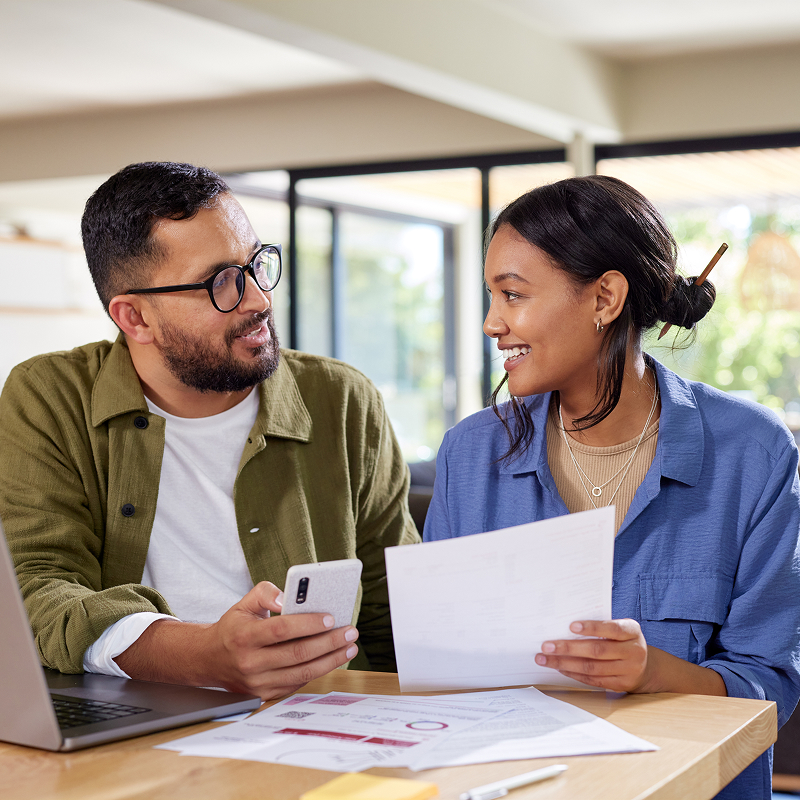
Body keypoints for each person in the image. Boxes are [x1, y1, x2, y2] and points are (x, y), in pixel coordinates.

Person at [423, 175, 800, 800]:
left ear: (604, 298)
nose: (491, 323)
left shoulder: (753, 452)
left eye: (512, 295)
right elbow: (439, 668)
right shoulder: (470, 455)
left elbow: (770, 687)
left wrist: (654, 672)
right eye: (491, 297)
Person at [0, 161, 419, 701]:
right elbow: (36, 586)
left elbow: (396, 605)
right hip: (135, 715)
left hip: (320, 712)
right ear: (135, 318)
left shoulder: (342, 399)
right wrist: (203, 655)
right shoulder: (50, 397)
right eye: (222, 282)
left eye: (256, 265)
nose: (259, 300)